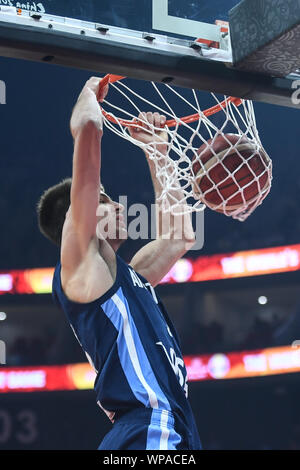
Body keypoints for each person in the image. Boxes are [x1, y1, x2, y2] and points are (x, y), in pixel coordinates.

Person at [37, 76, 202, 450]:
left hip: (169, 425)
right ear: (79, 216)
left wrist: (157, 152)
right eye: (106, 198)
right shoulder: (81, 268)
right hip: (148, 424)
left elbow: (179, 236)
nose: (118, 206)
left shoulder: (127, 278)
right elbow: (91, 128)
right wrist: (88, 90)